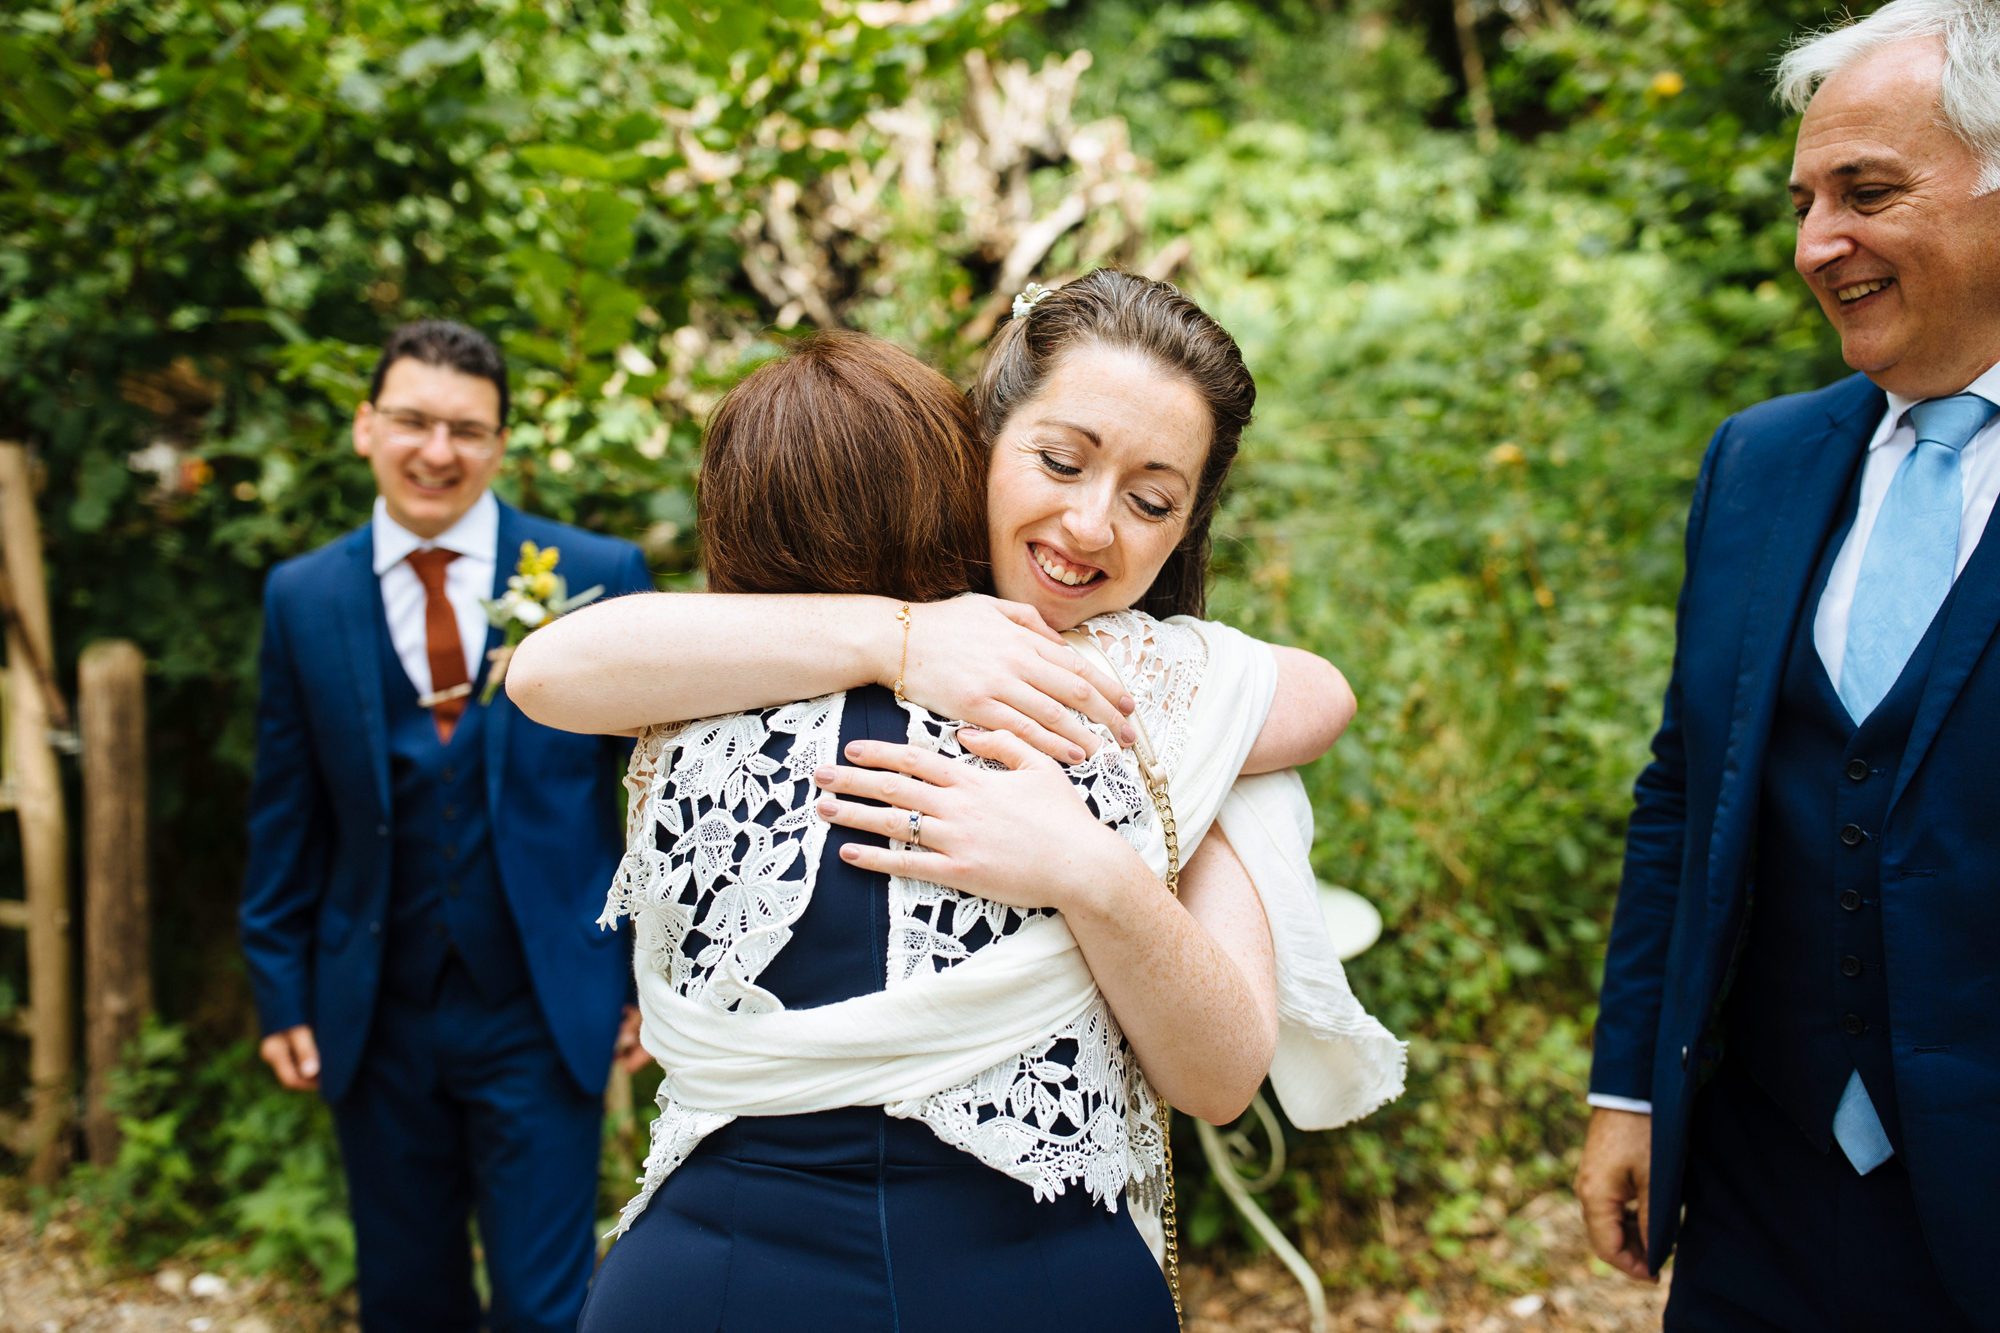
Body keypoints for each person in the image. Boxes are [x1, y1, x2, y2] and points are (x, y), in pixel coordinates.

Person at [508, 282, 1403, 1328]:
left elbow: (1219, 1070)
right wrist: (899, 636)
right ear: (977, 435)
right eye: (1059, 462)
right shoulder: (759, 659)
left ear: (1187, 525)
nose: (1086, 521)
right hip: (739, 1269)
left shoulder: (1168, 703)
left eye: (1152, 501)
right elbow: (550, 670)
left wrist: (1084, 865)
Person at [1576, 4, 2000, 1327]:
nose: (1819, 244)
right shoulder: (1757, 462)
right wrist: (1632, 1088)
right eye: (1807, 200)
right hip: (1759, 1185)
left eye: (1867, 193)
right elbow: (1683, 789)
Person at [237, 319, 655, 1333]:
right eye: (415, 421)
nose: (438, 451)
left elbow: (651, 800)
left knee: (542, 1301)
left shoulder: (597, 572)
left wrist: (647, 971)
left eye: (467, 429)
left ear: (502, 444)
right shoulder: (301, 596)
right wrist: (279, 981)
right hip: (371, 1005)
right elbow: (285, 808)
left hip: (540, 1000)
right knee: (406, 1293)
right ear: (365, 427)